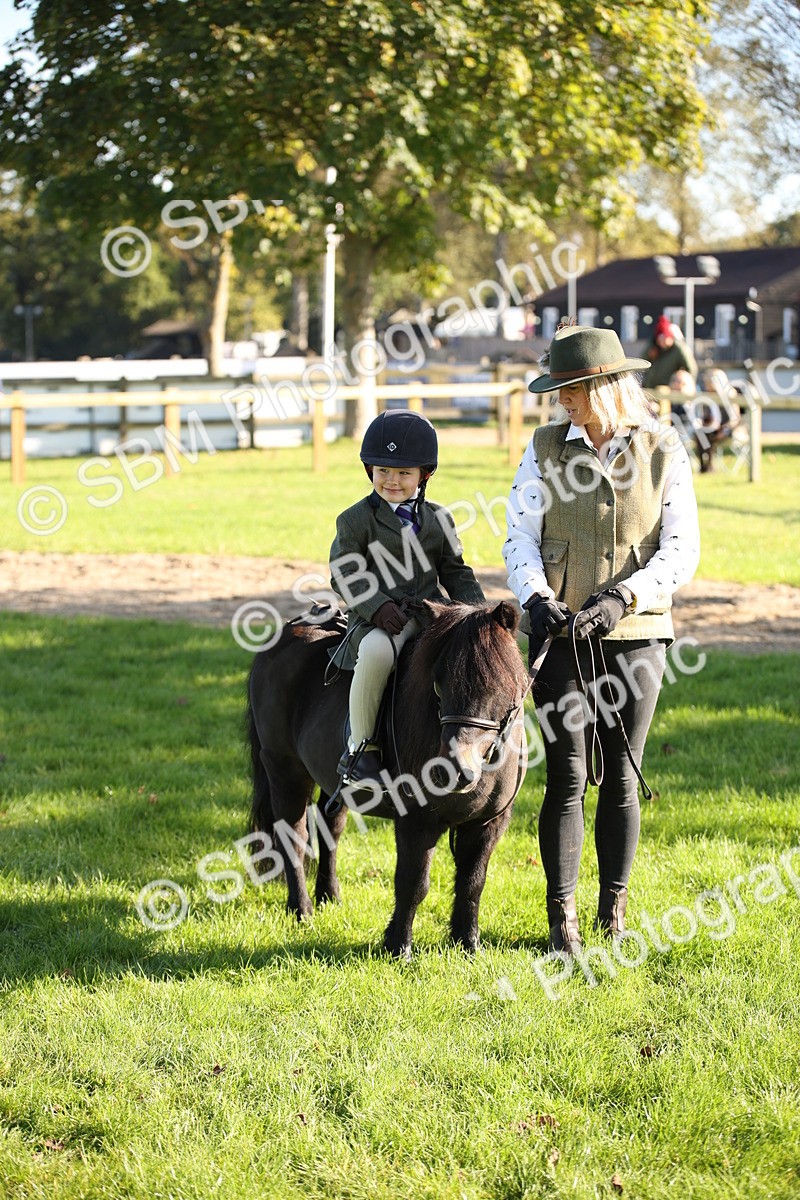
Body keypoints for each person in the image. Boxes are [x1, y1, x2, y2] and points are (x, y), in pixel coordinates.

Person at [503, 324, 700, 954]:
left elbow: (681, 547)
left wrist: (624, 597)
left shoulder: (664, 448)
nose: (560, 398)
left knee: (620, 772)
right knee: (565, 773)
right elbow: (518, 537)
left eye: (570, 388)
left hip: (638, 632)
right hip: (559, 634)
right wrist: (537, 597)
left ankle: (611, 910)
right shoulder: (542, 449)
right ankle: (561, 920)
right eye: (556, 388)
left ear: (606, 387)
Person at [329, 409, 485, 793]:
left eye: (402, 473)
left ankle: (470, 738)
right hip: (377, 621)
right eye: (383, 471)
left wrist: (479, 614)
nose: (392, 481)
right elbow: (343, 573)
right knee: (380, 653)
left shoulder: (439, 519)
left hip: (430, 616)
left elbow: (455, 571)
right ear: (370, 471)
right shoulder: (355, 521)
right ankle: (361, 746)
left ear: (424, 475)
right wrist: (377, 607)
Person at [642, 315, 698, 389]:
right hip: (651, 386)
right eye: (660, 340)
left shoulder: (679, 349)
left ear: (670, 337)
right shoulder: (653, 346)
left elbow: (692, 368)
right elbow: (643, 362)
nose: (662, 343)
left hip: (670, 388)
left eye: (665, 339)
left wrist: (687, 386)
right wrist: (649, 355)